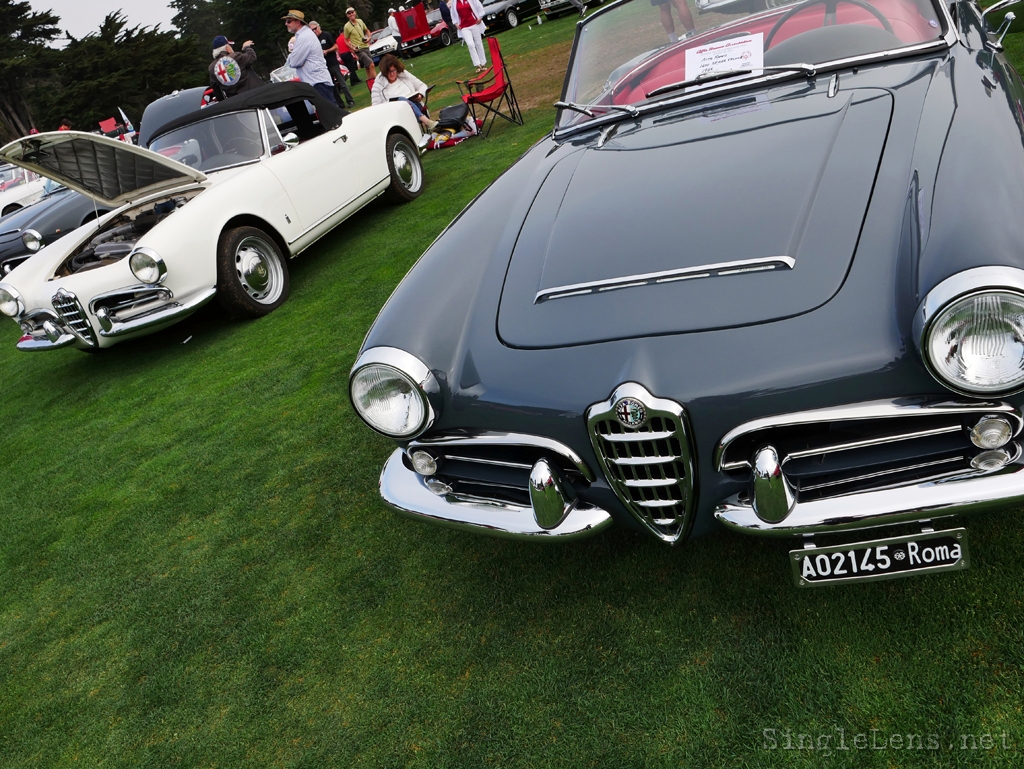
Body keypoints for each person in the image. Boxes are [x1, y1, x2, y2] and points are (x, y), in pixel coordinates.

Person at [283, 9, 339, 106]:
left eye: (289, 21)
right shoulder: (303, 35)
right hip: (316, 82)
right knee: (328, 111)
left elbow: (294, 62)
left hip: (318, 82)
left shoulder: (304, 37)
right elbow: (294, 61)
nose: (286, 24)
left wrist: (293, 57)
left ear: (297, 22)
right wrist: (294, 57)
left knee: (330, 112)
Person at [371, 54, 437, 131]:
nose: (392, 74)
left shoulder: (404, 75)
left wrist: (420, 95)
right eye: (389, 71)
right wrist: (392, 102)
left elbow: (422, 86)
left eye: (394, 70)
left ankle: (429, 123)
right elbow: (376, 107)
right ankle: (426, 121)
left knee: (406, 101)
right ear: (384, 72)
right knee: (401, 99)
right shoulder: (378, 85)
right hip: (396, 114)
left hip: (415, 106)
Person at [310, 20, 355, 107]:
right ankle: (339, 104)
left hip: (333, 63)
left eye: (315, 29)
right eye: (312, 30)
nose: (314, 31)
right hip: (323, 67)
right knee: (332, 86)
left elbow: (335, 46)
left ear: (319, 27)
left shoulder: (326, 35)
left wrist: (327, 51)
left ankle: (350, 100)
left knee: (342, 83)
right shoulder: (314, 40)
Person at [208, 35, 263, 100]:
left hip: (237, 102)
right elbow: (252, 56)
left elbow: (217, 90)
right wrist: (246, 47)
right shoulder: (236, 57)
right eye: (230, 46)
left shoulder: (212, 68)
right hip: (256, 96)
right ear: (227, 48)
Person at [343, 7, 376, 81]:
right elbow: (345, 40)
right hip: (358, 49)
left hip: (365, 46)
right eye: (349, 13)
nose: (351, 14)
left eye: (352, 12)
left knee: (367, 67)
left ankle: (370, 82)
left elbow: (367, 30)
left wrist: (369, 38)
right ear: (347, 15)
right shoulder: (347, 26)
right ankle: (377, 82)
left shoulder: (360, 21)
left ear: (355, 12)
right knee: (371, 65)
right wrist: (352, 48)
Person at [453, 0, 487, 72]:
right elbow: (453, 14)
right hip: (464, 27)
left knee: (478, 43)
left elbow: (479, 7)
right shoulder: (454, 2)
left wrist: (480, 17)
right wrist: (456, 24)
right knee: (470, 44)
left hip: (475, 24)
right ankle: (478, 65)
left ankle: (483, 64)